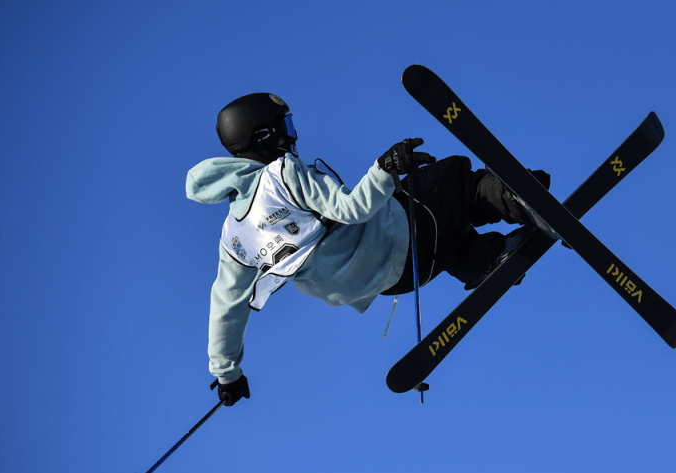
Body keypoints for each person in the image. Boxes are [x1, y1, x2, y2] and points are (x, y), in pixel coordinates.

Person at [186, 93, 550, 406]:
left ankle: (487, 259)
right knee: (454, 180)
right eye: (287, 128)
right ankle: (516, 199)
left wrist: (226, 374)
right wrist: (385, 167)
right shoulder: (282, 175)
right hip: (402, 237)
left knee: (445, 228)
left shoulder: (234, 237)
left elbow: (226, 307)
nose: (292, 137)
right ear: (265, 136)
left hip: (398, 281)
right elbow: (353, 209)